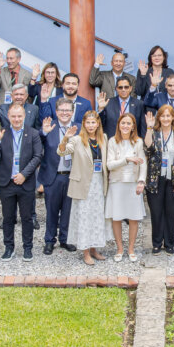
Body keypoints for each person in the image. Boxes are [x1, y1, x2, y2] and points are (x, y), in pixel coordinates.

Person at [0, 103, 44, 261]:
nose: (16, 119)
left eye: (19, 116)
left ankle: (27, 248)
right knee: (7, 218)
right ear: (8, 117)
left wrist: (24, 174)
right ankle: (9, 247)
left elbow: (37, 156)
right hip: (6, 182)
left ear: (24, 116)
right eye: (13, 116)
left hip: (25, 182)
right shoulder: (2, 133)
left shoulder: (33, 133)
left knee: (27, 217)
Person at [62, 110, 112, 265]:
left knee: (96, 216)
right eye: (88, 122)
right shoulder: (77, 140)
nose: (91, 125)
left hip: (98, 182)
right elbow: (62, 151)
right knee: (84, 216)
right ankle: (85, 252)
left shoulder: (103, 138)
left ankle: (94, 249)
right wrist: (65, 138)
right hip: (83, 183)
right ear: (84, 123)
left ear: (98, 124)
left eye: (93, 122)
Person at [144, 105, 174, 255]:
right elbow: (148, 149)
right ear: (158, 118)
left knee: (170, 213)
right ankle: (156, 243)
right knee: (156, 213)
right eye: (163, 116)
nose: (166, 119)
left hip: (173, 180)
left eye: (169, 116)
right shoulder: (154, 134)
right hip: (155, 179)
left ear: (173, 117)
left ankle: (169, 243)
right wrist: (149, 129)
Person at [105, 113, 147, 262]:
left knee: (133, 217)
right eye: (123, 123)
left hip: (133, 184)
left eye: (129, 123)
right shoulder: (112, 141)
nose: (125, 126)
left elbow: (143, 163)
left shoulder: (138, 142)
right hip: (117, 184)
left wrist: (141, 181)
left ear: (133, 126)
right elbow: (109, 164)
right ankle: (119, 249)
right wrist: (126, 159)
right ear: (118, 125)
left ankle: (130, 249)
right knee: (116, 217)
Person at [38, 101, 76, 255]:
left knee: (68, 210)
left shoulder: (78, 128)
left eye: (68, 110)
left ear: (73, 111)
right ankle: (49, 240)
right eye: (61, 110)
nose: (65, 113)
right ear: (56, 111)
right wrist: (44, 133)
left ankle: (65, 239)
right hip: (53, 176)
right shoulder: (49, 126)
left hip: (72, 176)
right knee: (51, 211)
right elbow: (37, 143)